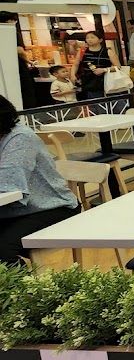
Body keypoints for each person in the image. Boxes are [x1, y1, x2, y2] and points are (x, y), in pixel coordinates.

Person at [0, 95, 80, 265]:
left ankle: (24, 283)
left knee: (3, 251)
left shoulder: (19, 138)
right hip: (11, 211)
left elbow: (8, 185)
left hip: (52, 207)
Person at [76, 30, 119, 100]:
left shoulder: (108, 52)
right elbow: (76, 64)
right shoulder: (82, 51)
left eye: (92, 37)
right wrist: (73, 75)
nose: (89, 40)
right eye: (87, 38)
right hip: (87, 82)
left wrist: (104, 70)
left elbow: (118, 67)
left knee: (106, 101)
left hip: (105, 81)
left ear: (100, 40)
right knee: (91, 101)